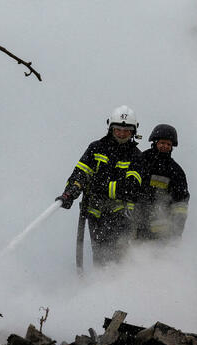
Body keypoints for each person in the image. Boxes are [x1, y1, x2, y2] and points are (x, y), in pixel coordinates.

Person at [57, 105, 143, 266]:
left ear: (133, 132)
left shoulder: (136, 156)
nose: (122, 134)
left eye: (126, 131)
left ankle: (122, 281)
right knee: (100, 258)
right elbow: (80, 173)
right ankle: (101, 282)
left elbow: (130, 188)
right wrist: (70, 192)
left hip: (121, 218)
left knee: (119, 260)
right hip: (95, 215)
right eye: (118, 130)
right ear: (110, 128)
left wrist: (98, 186)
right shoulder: (96, 148)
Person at [136, 123, 190, 242]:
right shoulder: (141, 161)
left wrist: (176, 233)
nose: (165, 146)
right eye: (162, 143)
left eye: (168, 144)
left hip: (161, 234)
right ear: (155, 142)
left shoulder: (176, 171)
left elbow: (181, 203)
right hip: (136, 227)